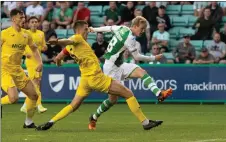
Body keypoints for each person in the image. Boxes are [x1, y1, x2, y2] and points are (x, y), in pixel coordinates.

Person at [35, 20, 163, 131]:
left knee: (73, 105)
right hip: (96, 78)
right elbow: (68, 40)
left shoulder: (70, 48)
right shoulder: (78, 38)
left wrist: (58, 62)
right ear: (80, 30)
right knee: (128, 93)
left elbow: (59, 56)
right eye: (86, 29)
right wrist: (57, 41)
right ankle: (145, 123)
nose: (88, 31)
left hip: (85, 80)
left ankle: (51, 122)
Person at [87, 16, 172, 130]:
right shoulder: (130, 38)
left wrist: (94, 29)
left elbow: (109, 28)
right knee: (113, 100)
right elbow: (136, 56)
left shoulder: (122, 28)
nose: (142, 31)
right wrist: (154, 58)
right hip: (111, 69)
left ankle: (159, 94)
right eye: (141, 29)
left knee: (141, 72)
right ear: (135, 26)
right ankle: (94, 117)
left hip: (119, 65)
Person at [1, 9, 42, 128]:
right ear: (13, 19)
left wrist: (40, 62)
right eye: (21, 18)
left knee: (34, 95)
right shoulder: (4, 33)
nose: (23, 20)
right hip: (5, 70)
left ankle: (28, 122)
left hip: (17, 70)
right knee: (13, 98)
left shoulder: (26, 34)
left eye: (24, 17)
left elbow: (34, 49)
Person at [20, 16, 48, 113]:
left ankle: (25, 105)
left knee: (37, 83)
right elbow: (20, 46)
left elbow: (44, 45)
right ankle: (39, 105)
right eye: (32, 22)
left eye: (36, 22)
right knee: (35, 82)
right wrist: (24, 53)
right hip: (30, 61)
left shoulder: (41, 33)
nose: (34, 24)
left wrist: (45, 47)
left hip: (39, 61)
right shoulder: (25, 33)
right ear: (28, 23)